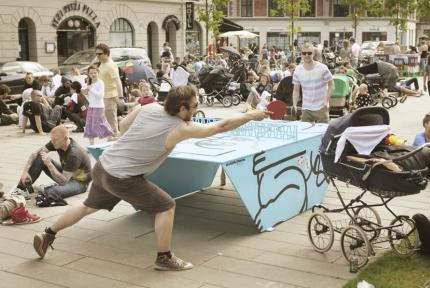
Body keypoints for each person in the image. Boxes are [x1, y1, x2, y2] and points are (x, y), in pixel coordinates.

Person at [32, 85, 271, 271]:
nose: (196, 110)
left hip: (104, 166)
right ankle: (164, 258)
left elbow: (124, 127)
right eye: (193, 106)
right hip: (122, 177)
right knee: (167, 205)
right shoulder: (180, 127)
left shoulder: (149, 107)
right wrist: (251, 116)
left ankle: (48, 234)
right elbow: (219, 127)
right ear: (181, 109)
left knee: (86, 207)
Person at [17, 125, 91, 199]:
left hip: (80, 182)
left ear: (65, 139)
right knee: (40, 157)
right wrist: (25, 172)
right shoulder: (56, 142)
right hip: (66, 174)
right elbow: (35, 153)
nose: (52, 142)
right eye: (51, 139)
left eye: (55, 140)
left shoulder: (74, 154)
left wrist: (49, 164)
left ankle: (48, 188)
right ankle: (21, 188)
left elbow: (63, 182)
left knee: (52, 192)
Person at [292, 42, 334, 123]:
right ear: (301, 54)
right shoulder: (297, 70)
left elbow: (332, 85)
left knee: (323, 133)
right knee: (305, 133)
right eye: (304, 53)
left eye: (309, 53)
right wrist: (294, 104)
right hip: (306, 108)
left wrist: (326, 100)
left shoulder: (322, 68)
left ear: (313, 53)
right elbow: (296, 90)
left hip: (321, 107)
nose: (306, 55)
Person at [96, 43, 123, 138]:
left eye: (100, 54)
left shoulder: (110, 65)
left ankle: (115, 140)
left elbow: (118, 81)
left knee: (111, 121)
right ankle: (111, 139)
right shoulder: (103, 63)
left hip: (110, 96)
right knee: (107, 121)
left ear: (106, 53)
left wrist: (121, 97)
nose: (97, 56)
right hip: (104, 95)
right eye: (96, 54)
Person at [83, 65, 113, 145]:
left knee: (99, 124)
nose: (93, 74)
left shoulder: (100, 82)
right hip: (91, 106)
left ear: (98, 73)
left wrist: (91, 89)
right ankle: (91, 144)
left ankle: (110, 138)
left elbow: (100, 96)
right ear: (88, 74)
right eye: (91, 73)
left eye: (95, 72)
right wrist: (85, 91)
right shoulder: (89, 82)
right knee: (89, 124)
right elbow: (89, 95)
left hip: (99, 107)